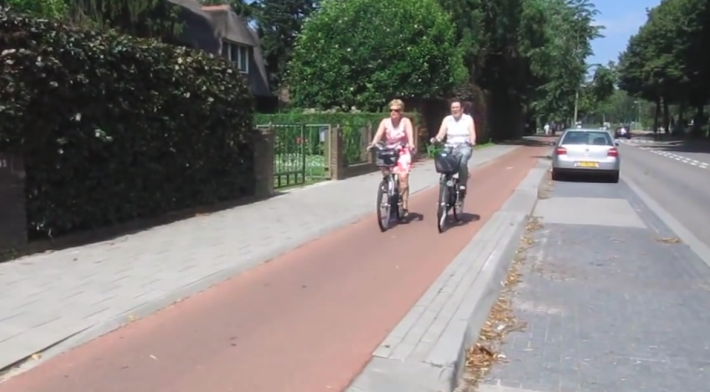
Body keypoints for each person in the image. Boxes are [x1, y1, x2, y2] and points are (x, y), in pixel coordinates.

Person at [368, 99, 416, 216]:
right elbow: (379, 134)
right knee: (384, 169)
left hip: (402, 150)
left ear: (401, 111)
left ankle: (404, 205)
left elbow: (410, 135)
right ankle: (389, 188)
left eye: (396, 110)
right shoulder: (385, 122)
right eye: (391, 110)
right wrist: (373, 144)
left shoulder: (405, 121)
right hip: (389, 150)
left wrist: (411, 144)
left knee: (403, 178)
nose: (393, 112)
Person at [430, 99, 476, 195]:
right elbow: (441, 134)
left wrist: (472, 140)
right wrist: (436, 140)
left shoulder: (468, 119)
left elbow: (472, 133)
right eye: (453, 108)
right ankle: (446, 182)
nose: (455, 110)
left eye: (457, 107)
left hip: (464, 145)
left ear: (462, 109)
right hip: (449, 146)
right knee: (443, 161)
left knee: (462, 162)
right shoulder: (447, 119)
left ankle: (463, 184)